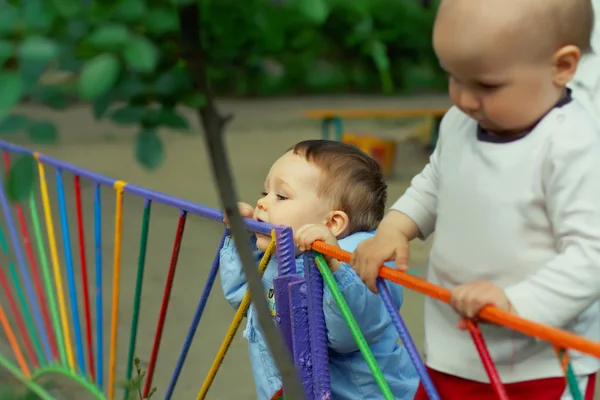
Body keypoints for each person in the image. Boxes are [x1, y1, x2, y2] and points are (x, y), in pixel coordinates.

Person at [350, 0, 600, 399]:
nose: (465, 99)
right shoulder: (460, 121)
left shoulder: (572, 145)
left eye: (486, 85)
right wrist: (395, 227)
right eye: (453, 78)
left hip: (541, 364)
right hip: (452, 349)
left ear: (563, 67)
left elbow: (592, 255)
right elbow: (435, 182)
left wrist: (516, 302)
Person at [219, 140, 419, 400]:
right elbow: (244, 300)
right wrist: (240, 240)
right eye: (265, 192)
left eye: (280, 196)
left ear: (332, 223)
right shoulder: (280, 255)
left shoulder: (362, 262)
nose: (261, 203)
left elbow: (346, 335)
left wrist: (335, 266)